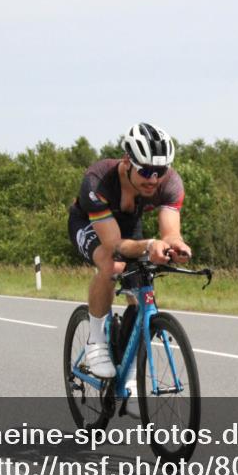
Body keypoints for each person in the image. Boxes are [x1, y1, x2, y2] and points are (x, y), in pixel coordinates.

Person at [68, 123, 192, 378]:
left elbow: (170, 232)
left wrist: (175, 245)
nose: (153, 179)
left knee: (142, 283)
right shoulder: (99, 179)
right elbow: (114, 245)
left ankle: (130, 366)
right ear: (127, 160)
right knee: (112, 265)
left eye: (160, 171)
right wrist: (149, 245)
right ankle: (96, 341)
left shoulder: (170, 184)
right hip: (90, 222)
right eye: (145, 171)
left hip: (128, 224)